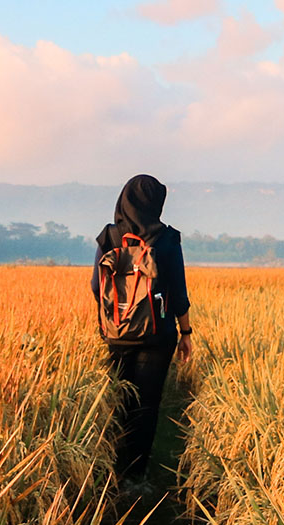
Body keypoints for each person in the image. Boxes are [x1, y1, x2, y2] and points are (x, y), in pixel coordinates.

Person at [91, 174, 193, 486]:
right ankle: (135, 476)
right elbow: (177, 290)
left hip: (116, 332)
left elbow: (97, 286)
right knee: (146, 405)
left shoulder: (109, 237)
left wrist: (114, 314)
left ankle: (111, 468)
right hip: (156, 335)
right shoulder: (165, 239)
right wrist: (186, 333)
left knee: (119, 399)